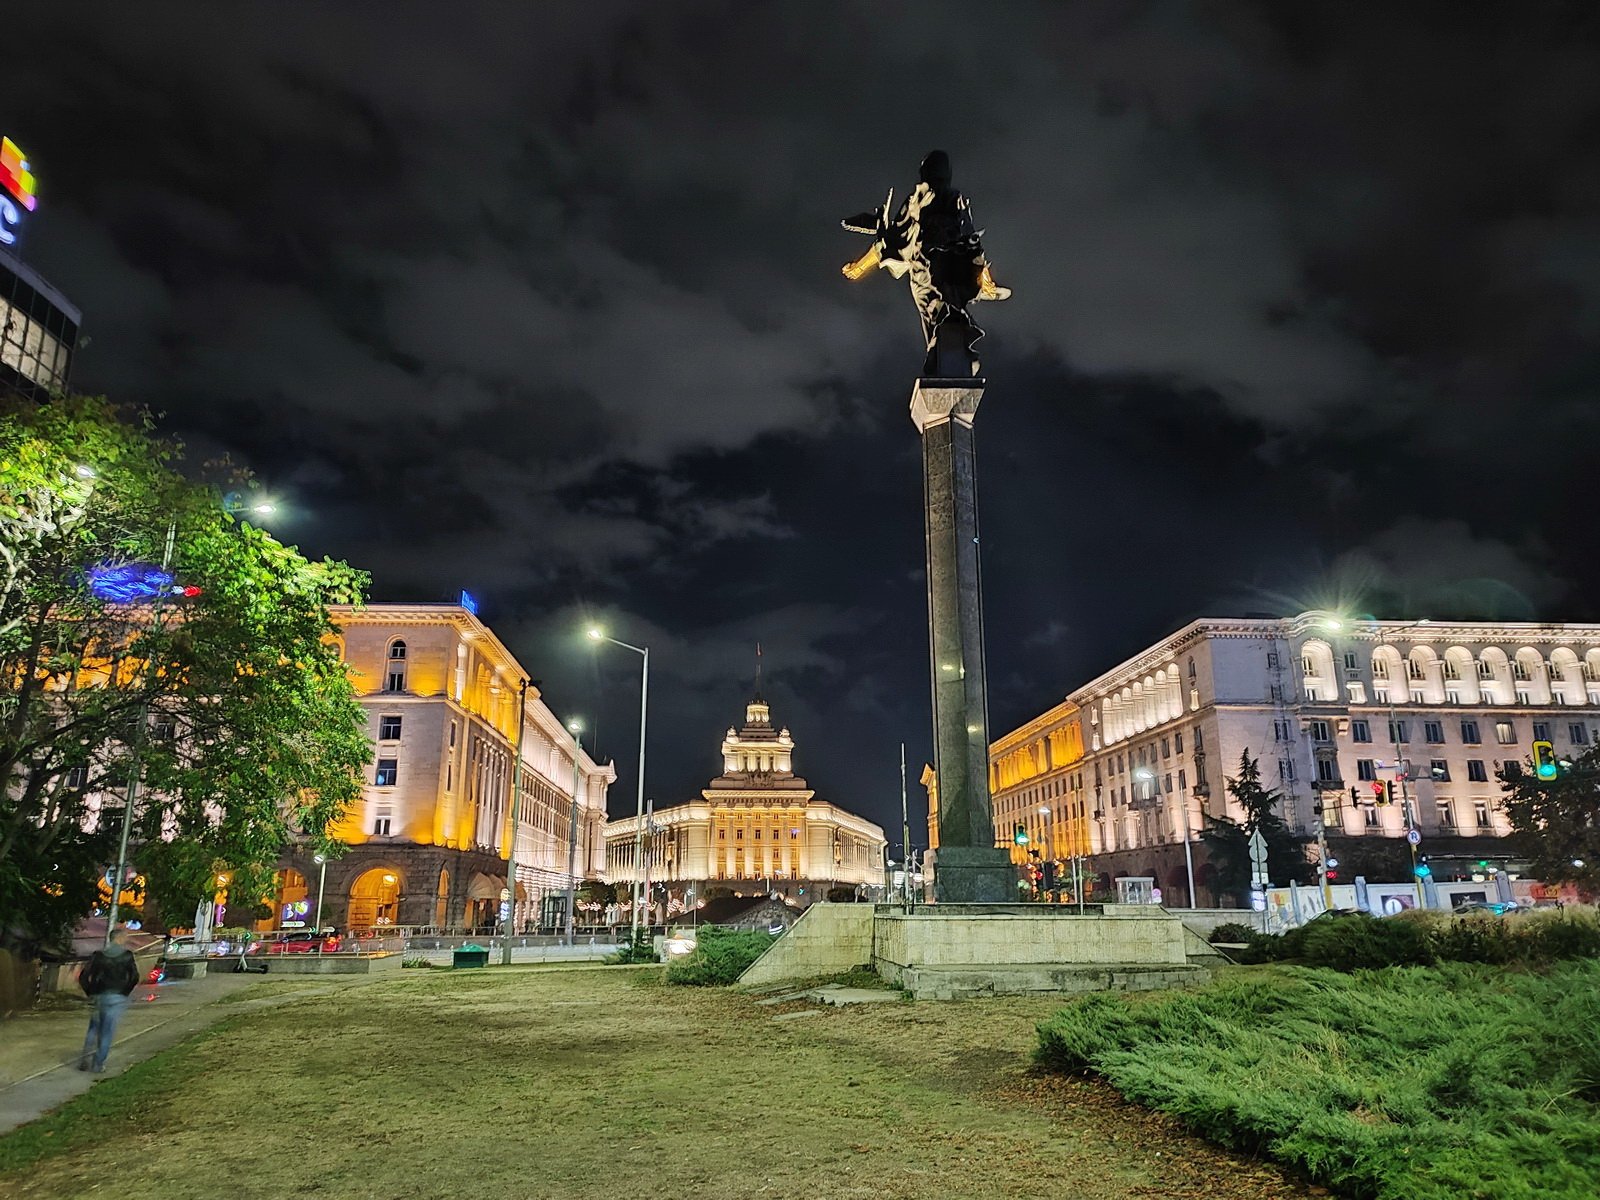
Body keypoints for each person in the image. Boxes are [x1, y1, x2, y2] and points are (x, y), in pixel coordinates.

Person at [77, 926, 141, 1073]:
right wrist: (124, 992)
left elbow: (84, 977)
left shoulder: (98, 956)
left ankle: (85, 1060)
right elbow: (134, 977)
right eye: (125, 937)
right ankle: (98, 1064)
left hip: (98, 996)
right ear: (119, 938)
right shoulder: (127, 956)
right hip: (116, 997)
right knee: (107, 1031)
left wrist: (91, 992)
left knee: (93, 1028)